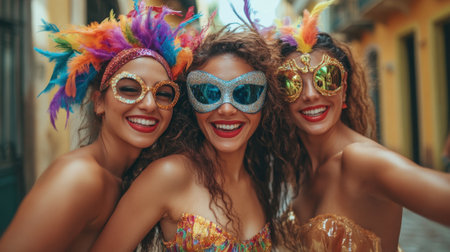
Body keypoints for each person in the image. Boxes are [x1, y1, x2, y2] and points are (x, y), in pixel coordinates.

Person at [0, 2, 198, 251]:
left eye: (164, 94)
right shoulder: (79, 178)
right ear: (99, 103)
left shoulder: (128, 177)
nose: (149, 105)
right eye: (128, 89)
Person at [90, 22, 291, 251]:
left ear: (266, 102)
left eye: (245, 93)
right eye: (208, 93)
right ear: (190, 104)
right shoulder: (169, 175)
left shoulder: (258, 178)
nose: (226, 109)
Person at [274, 1, 450, 251]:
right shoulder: (301, 165)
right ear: (279, 99)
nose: (311, 94)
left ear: (344, 89)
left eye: (327, 78)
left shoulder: (361, 160)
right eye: (291, 84)